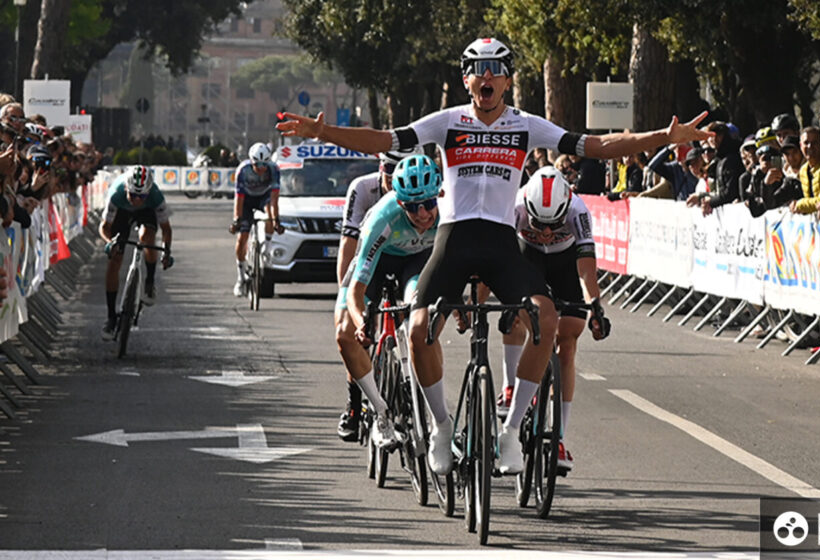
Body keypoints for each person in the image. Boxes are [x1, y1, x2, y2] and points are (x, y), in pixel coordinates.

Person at [277, 37, 711, 476]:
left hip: (503, 244)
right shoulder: (448, 122)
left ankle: (510, 433)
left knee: (545, 319)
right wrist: (323, 132)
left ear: (507, 80)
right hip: (454, 240)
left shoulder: (526, 125)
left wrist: (662, 136)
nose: (486, 76)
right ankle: (443, 428)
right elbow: (385, 139)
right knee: (419, 329)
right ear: (466, 79)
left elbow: (595, 146)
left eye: (495, 69)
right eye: (477, 70)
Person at [495, 166, 607, 471]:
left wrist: (594, 303)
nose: (545, 232)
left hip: (564, 263)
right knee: (519, 314)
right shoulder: (515, 205)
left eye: (553, 225)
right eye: (539, 224)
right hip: (526, 256)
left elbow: (586, 267)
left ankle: (558, 437)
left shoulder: (578, 210)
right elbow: (500, 258)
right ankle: (509, 386)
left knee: (568, 341)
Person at [335, 154, 442, 449]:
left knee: (424, 323)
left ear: (439, 195)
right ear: (400, 203)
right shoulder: (383, 218)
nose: (422, 215)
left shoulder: (449, 212)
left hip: (418, 263)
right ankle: (380, 411)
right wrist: (360, 324)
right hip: (378, 263)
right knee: (344, 334)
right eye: (412, 207)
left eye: (429, 204)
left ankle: (437, 419)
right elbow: (356, 289)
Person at [99, 165, 174, 340]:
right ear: (127, 188)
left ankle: (149, 281)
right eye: (133, 195)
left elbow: (166, 230)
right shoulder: (117, 194)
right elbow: (104, 227)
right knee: (115, 258)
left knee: (147, 236)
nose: (137, 200)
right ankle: (111, 317)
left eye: (141, 196)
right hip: (121, 213)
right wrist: (110, 243)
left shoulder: (155, 196)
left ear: (148, 192)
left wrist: (167, 252)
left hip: (147, 213)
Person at [229, 142, 282, 297]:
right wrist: (236, 220)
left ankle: (266, 248)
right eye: (257, 164)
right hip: (246, 200)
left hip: (263, 198)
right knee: (242, 237)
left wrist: (276, 220)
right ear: (251, 162)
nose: (261, 168)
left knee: (270, 217)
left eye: (264, 164)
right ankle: (240, 277)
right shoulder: (243, 171)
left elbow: (274, 200)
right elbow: (238, 199)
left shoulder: (274, 170)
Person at [790, 127, 820, 214]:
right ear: (800, 145)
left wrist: (799, 205)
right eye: (806, 143)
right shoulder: (803, 170)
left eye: (814, 143)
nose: (810, 147)